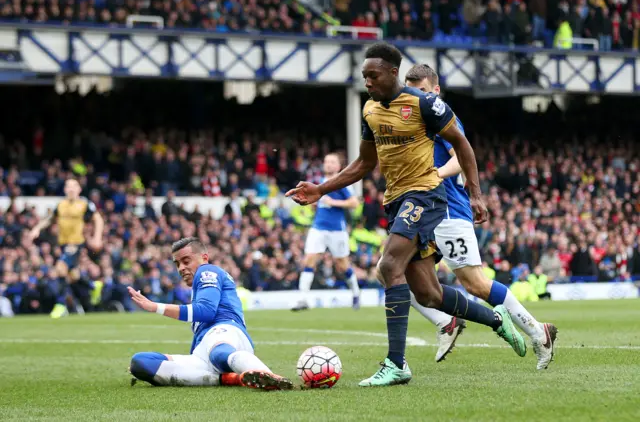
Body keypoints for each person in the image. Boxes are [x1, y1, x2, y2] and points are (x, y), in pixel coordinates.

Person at [286, 42, 525, 387]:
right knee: (428, 293)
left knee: (388, 267)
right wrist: (321, 189)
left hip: (426, 195)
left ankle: (396, 363)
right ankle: (497, 320)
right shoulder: (370, 111)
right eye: (364, 76)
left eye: (373, 75)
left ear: (393, 73)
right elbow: (365, 163)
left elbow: (462, 144)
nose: (367, 82)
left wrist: (475, 194)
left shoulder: (424, 103)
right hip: (396, 200)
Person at [403, 64, 557, 369]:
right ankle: (445, 322)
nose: (414, 97)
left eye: (420, 91)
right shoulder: (415, 122)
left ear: (434, 91)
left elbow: (460, 157)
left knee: (475, 284)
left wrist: (434, 176)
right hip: (424, 210)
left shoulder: (441, 115)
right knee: (394, 271)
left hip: (446, 209)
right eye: (410, 92)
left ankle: (538, 331)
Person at [127, 237, 293, 390]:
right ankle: (231, 378)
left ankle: (271, 377)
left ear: (204, 258)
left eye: (186, 261)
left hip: (225, 332)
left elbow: (206, 311)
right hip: (202, 353)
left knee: (218, 354)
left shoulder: (207, 271)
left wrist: (155, 307)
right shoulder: (197, 285)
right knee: (141, 363)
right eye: (177, 264)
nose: (181, 268)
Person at [292, 153, 361, 311]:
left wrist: (333, 202)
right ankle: (303, 299)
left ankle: (356, 293)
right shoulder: (320, 183)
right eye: (326, 162)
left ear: (338, 166)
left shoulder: (342, 183)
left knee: (342, 265)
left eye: (332, 162)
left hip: (337, 230)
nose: (328, 164)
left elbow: (354, 203)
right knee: (309, 260)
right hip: (318, 228)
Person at [29, 178, 104, 318]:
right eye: (68, 186)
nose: (70, 189)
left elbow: (98, 219)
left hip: (76, 243)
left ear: (79, 189)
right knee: (72, 275)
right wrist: (36, 228)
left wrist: (97, 238)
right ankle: (93, 286)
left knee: (60, 268)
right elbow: (49, 218)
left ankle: (61, 305)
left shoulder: (84, 204)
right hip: (63, 244)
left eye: (73, 186)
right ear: (64, 189)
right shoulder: (60, 205)